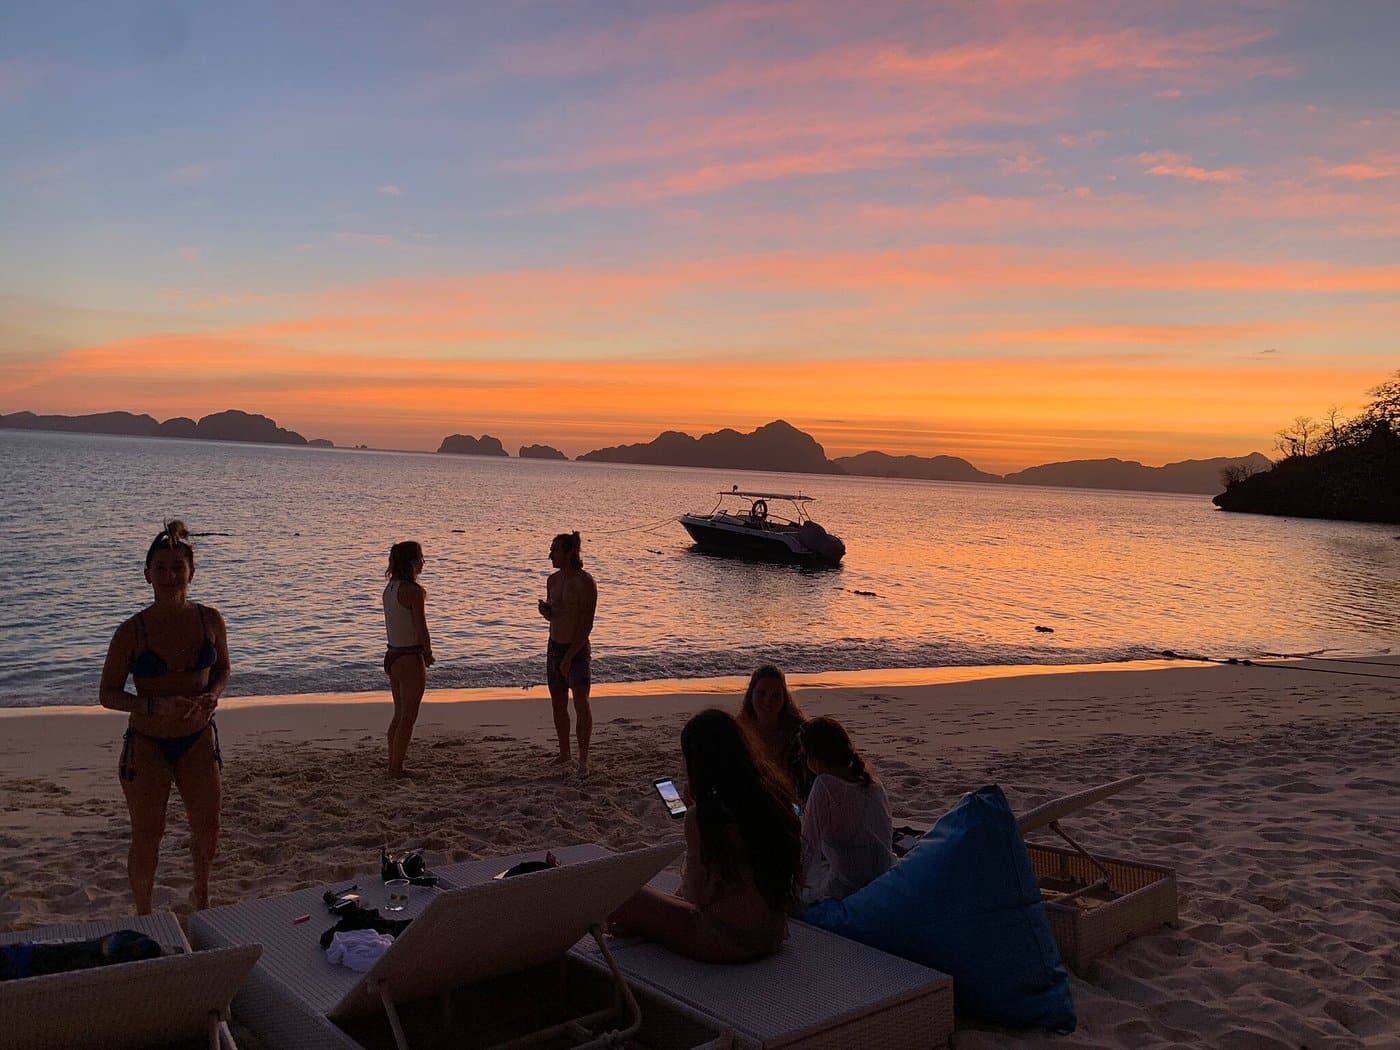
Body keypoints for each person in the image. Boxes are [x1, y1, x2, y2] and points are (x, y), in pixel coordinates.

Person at [99, 521, 229, 914]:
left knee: (207, 826)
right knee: (147, 834)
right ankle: (143, 912)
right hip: (147, 744)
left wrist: (212, 695)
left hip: (197, 738)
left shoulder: (210, 620)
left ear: (191, 572)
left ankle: (201, 894)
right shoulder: (132, 632)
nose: (170, 575)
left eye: (178, 567)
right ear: (147, 574)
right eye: (162, 568)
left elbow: (223, 670)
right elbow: (108, 694)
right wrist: (153, 706)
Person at [609, 709, 800, 962]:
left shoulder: (704, 818)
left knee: (625, 898)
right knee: (652, 901)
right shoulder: (772, 801)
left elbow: (696, 896)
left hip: (727, 939)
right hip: (771, 933)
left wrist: (695, 822)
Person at [797, 716, 894, 907]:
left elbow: (808, 846)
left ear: (814, 757)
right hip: (884, 876)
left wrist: (792, 891)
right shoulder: (871, 782)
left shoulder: (825, 785)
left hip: (851, 887)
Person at [537, 531, 597, 777]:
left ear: (570, 553)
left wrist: (570, 656)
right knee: (558, 702)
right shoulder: (552, 580)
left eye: (555, 550)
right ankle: (565, 753)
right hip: (555, 646)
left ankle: (583, 760)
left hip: (577, 650)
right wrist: (547, 612)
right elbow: (557, 614)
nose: (550, 554)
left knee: (581, 703)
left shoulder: (585, 582)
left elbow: (586, 625)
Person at [383, 541, 434, 779]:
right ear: (413, 562)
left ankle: (392, 761)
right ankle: (396, 768)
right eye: (421, 558)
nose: (423, 563)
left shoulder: (390, 588)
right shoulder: (414, 592)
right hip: (409, 656)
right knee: (408, 717)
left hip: (392, 655)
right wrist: (428, 652)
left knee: (398, 713)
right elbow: (420, 627)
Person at [737, 664, 812, 801]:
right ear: (750, 695)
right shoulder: (738, 730)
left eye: (776, 695)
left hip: (791, 802)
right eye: (761, 693)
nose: (768, 701)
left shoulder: (798, 732)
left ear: (785, 699)